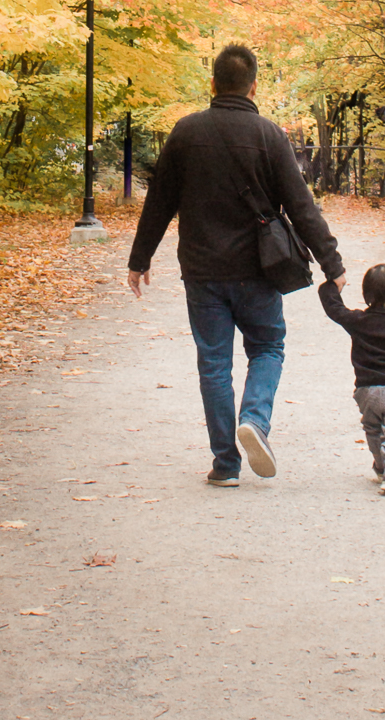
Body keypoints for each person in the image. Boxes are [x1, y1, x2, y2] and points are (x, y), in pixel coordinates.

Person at [127, 44, 346, 485]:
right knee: (267, 348)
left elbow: (159, 200)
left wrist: (140, 258)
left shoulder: (185, 133)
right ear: (254, 85)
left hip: (203, 271)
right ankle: (255, 420)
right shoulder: (269, 135)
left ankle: (226, 464)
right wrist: (331, 262)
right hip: (258, 271)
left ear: (213, 83)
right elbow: (301, 205)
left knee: (213, 364)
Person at [318, 263, 385, 495]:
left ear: (366, 295)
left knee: (373, 429)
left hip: (366, 390)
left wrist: (331, 285)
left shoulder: (359, 322)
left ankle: (380, 465)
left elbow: (334, 308)